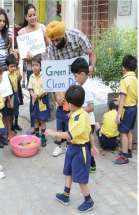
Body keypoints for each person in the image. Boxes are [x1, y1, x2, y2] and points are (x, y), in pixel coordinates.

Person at [46, 20, 97, 157]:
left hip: (80, 81)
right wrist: (56, 93)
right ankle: (63, 143)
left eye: (57, 40)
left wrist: (92, 67)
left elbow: (92, 53)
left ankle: (80, 143)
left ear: (62, 34)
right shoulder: (52, 48)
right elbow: (52, 72)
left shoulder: (77, 36)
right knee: (63, 114)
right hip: (64, 86)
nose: (55, 43)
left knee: (80, 114)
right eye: (52, 40)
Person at [45, 85, 98, 213]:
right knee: (67, 171)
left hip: (80, 151)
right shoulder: (80, 113)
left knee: (80, 178)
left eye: (67, 103)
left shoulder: (80, 118)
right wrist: (93, 145)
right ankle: (65, 195)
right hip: (72, 148)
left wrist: (53, 133)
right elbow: (89, 132)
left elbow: (69, 135)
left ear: (71, 104)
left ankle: (89, 201)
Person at [17, 4, 51, 135]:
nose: (33, 18)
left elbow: (50, 46)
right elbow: (22, 57)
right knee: (33, 98)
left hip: (43, 69)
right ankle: (33, 126)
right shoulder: (22, 33)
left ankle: (43, 125)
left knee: (43, 97)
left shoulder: (43, 28)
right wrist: (26, 58)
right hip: (32, 69)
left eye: (34, 14)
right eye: (29, 15)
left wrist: (46, 48)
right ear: (25, 17)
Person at [71, 58, 97, 173]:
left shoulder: (88, 88)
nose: (74, 78)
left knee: (86, 145)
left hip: (88, 122)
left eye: (75, 76)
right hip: (83, 121)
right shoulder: (81, 84)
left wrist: (78, 111)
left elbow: (91, 107)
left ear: (82, 74)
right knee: (85, 144)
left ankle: (90, 166)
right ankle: (91, 165)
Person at [114, 54, 137, 165]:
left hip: (126, 110)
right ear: (135, 69)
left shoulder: (124, 80)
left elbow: (123, 97)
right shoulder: (135, 79)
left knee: (123, 132)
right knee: (129, 130)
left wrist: (118, 114)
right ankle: (129, 151)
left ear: (123, 68)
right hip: (134, 107)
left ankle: (124, 157)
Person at [28, 55, 51, 147]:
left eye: (37, 65)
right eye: (33, 65)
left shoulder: (44, 76)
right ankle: (37, 137)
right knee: (36, 120)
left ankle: (43, 138)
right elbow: (30, 88)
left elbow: (46, 90)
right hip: (35, 101)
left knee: (42, 120)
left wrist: (39, 96)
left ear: (40, 66)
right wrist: (33, 96)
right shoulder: (31, 77)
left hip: (42, 101)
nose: (34, 67)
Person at [5, 54, 19, 140]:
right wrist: (9, 100)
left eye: (14, 66)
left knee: (12, 115)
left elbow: (16, 85)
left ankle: (10, 131)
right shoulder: (6, 75)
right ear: (7, 66)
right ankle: (8, 132)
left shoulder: (15, 73)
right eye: (11, 66)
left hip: (15, 94)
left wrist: (17, 96)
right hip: (8, 97)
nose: (13, 68)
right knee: (8, 115)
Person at [12, 51, 23, 132]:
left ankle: (16, 123)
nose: (17, 61)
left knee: (17, 108)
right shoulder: (12, 70)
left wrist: (21, 93)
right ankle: (12, 124)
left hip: (18, 88)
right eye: (15, 59)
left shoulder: (18, 69)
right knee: (13, 108)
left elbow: (19, 81)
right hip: (13, 90)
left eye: (18, 59)